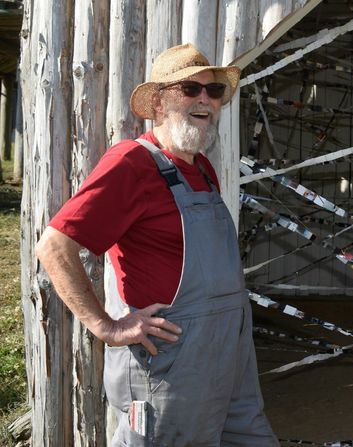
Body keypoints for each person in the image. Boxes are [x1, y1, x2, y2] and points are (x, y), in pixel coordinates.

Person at [35, 44, 279, 446]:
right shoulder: (132, 163)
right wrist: (107, 327)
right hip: (169, 367)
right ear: (159, 102)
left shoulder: (201, 168)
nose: (205, 100)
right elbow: (54, 247)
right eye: (190, 89)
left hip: (227, 359)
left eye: (213, 91)